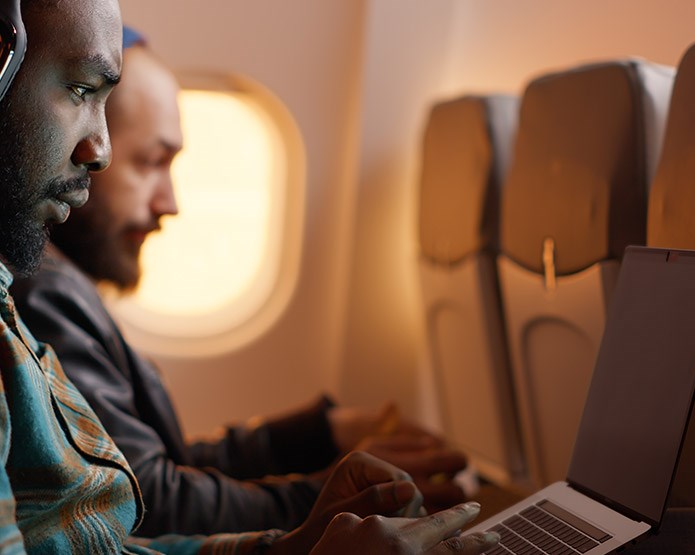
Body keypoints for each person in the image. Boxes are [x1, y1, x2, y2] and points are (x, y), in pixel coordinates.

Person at [0, 0, 505, 552]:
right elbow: (152, 498)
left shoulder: (20, 303)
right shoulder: (43, 291)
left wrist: (308, 472)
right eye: (79, 91)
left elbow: (113, 516)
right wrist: (314, 510)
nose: (98, 153)